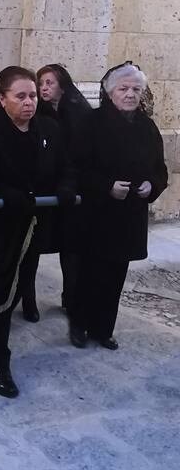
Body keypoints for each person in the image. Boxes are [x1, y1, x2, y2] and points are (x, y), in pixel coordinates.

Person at [0, 66, 76, 398]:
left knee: (12, 294)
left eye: (33, 96)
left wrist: (66, 187)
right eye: (20, 96)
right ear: (2, 99)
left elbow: (65, 167)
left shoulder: (50, 130)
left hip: (32, 226)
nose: (29, 103)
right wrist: (1, 192)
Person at [68, 63, 167, 350]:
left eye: (136, 89)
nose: (130, 94)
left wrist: (152, 185)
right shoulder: (91, 123)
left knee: (115, 275)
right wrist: (106, 186)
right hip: (97, 214)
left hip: (129, 215)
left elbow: (159, 169)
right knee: (89, 272)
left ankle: (103, 328)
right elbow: (77, 167)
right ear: (111, 93)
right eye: (123, 89)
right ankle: (80, 324)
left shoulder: (147, 127)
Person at [33, 63, 92, 314]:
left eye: (50, 83)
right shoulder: (38, 113)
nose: (44, 88)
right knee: (33, 245)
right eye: (41, 83)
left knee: (71, 246)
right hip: (44, 186)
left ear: (62, 86)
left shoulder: (78, 113)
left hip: (71, 187)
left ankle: (72, 297)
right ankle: (28, 300)